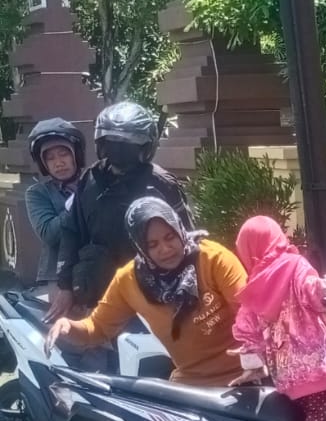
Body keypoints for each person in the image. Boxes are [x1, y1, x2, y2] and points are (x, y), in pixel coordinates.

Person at [46, 197, 245, 387]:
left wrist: (258, 361)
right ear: (140, 247)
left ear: (179, 229)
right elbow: (96, 329)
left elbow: (250, 312)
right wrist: (68, 327)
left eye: (170, 237)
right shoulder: (130, 280)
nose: (165, 249)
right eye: (152, 244)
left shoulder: (213, 259)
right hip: (192, 386)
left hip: (245, 376)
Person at [46, 101, 191, 321]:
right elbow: (71, 232)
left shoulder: (161, 183)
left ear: (145, 146)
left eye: (127, 143)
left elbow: (187, 239)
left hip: (151, 299)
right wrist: (65, 287)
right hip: (96, 295)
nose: (119, 149)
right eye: (113, 142)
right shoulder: (90, 179)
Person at [230, 216, 326, 421]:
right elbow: (315, 294)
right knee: (323, 409)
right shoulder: (295, 265)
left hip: (285, 373)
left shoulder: (256, 284)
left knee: (308, 412)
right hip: (318, 365)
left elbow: (246, 330)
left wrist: (252, 367)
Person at [24, 118, 84, 285]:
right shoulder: (37, 193)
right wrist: (78, 199)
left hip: (97, 271)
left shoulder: (93, 181)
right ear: (44, 164)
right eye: (50, 158)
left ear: (75, 156)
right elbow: (49, 234)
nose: (58, 163)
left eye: (64, 154)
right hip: (58, 277)